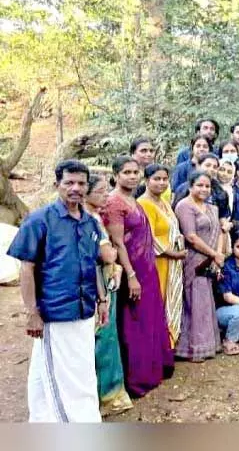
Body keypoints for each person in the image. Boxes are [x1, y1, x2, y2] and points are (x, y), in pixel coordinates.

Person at [8, 160, 116, 422]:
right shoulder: (39, 220)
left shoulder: (90, 222)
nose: (75, 188)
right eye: (69, 182)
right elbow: (26, 268)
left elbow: (93, 263)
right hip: (54, 313)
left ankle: (46, 424)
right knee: (65, 379)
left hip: (84, 309)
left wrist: (102, 299)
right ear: (57, 185)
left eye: (81, 183)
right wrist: (32, 313)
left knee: (77, 372)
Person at [102, 157, 174, 396]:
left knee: (150, 317)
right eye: (126, 172)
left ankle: (153, 370)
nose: (132, 176)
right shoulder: (113, 202)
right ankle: (137, 378)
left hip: (147, 267)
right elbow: (118, 243)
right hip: (131, 270)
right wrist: (131, 276)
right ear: (116, 175)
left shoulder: (133, 198)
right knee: (135, 322)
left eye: (135, 172)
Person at [84, 173, 134, 416]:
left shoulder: (94, 217)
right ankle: (105, 395)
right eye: (101, 191)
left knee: (106, 335)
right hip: (98, 281)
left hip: (104, 279)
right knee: (103, 336)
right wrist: (112, 251)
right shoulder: (89, 219)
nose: (106, 195)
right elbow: (107, 256)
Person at [174, 171, 223, 363]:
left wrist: (217, 255)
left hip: (210, 260)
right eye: (200, 185)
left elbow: (218, 231)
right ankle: (191, 348)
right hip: (194, 260)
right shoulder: (184, 206)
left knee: (205, 301)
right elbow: (191, 237)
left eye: (207, 186)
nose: (204, 189)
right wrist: (213, 254)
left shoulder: (212, 207)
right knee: (193, 301)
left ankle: (208, 345)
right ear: (190, 186)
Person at [137, 165, 185, 349]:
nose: (161, 183)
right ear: (146, 180)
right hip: (157, 261)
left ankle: (168, 345)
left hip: (172, 261)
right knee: (159, 302)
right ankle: (158, 348)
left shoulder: (163, 202)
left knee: (170, 301)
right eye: (157, 179)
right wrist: (173, 253)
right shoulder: (144, 204)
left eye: (165, 179)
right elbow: (148, 236)